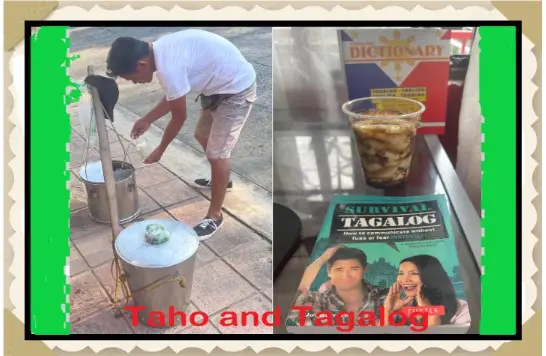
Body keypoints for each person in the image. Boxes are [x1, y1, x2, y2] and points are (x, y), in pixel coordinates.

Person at [105, 29, 257, 241]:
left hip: (237, 90)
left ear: (141, 65)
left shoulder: (168, 68)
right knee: (202, 135)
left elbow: (179, 117)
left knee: (218, 153)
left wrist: (160, 150)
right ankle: (223, 181)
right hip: (217, 89)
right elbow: (173, 97)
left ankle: (215, 216)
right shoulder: (160, 50)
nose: (133, 82)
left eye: (130, 78)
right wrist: (148, 119)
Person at [286, 245, 389, 326]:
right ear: (329, 271)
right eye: (339, 269)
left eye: (354, 269)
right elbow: (298, 291)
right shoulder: (315, 301)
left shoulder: (386, 297)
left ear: (365, 269)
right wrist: (323, 258)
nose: (346, 276)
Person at [384, 254, 471, 326]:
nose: (405, 279)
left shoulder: (463, 310)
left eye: (414, 273)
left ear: (432, 277)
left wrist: (431, 315)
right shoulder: (404, 307)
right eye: (401, 273)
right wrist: (388, 311)